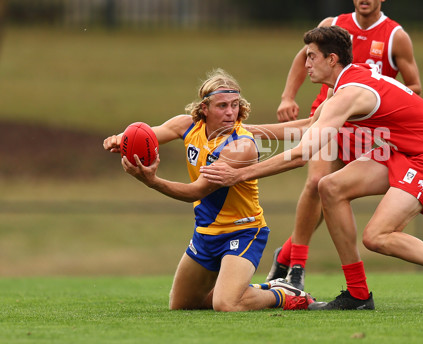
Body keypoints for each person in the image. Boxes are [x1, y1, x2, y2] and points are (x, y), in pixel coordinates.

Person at [200, 26, 423, 311]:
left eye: (311, 57)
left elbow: (301, 154)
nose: (305, 63)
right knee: (329, 187)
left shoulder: (347, 94)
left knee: (378, 236)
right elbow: (309, 125)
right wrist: (245, 130)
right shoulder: (346, 83)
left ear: (331, 59)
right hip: (399, 150)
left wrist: (238, 174)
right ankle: (358, 295)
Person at [102, 68, 314, 312]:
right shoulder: (187, 126)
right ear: (204, 108)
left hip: (242, 231)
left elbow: (196, 192)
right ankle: (257, 289)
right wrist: (122, 139)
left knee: (226, 304)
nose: (230, 112)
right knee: (182, 305)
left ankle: (283, 295)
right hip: (205, 232)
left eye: (235, 105)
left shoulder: (240, 145)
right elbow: (148, 135)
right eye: (222, 105)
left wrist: (152, 181)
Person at [268, 0, 422, 290]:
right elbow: (302, 57)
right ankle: (296, 269)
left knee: (332, 194)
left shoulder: (396, 36)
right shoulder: (333, 25)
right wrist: (287, 96)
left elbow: (414, 88)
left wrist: (379, 97)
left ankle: (284, 255)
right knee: (316, 183)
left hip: (366, 131)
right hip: (327, 120)